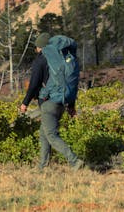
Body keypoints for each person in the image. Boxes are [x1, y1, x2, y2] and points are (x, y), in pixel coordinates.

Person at [20, 32, 84, 170]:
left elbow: (33, 84)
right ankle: (42, 168)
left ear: (40, 47)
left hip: (48, 102)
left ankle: (74, 161)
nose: (36, 50)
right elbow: (69, 83)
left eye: (36, 47)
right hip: (61, 102)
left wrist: (25, 102)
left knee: (51, 135)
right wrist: (71, 106)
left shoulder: (42, 59)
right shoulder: (62, 59)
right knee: (44, 135)